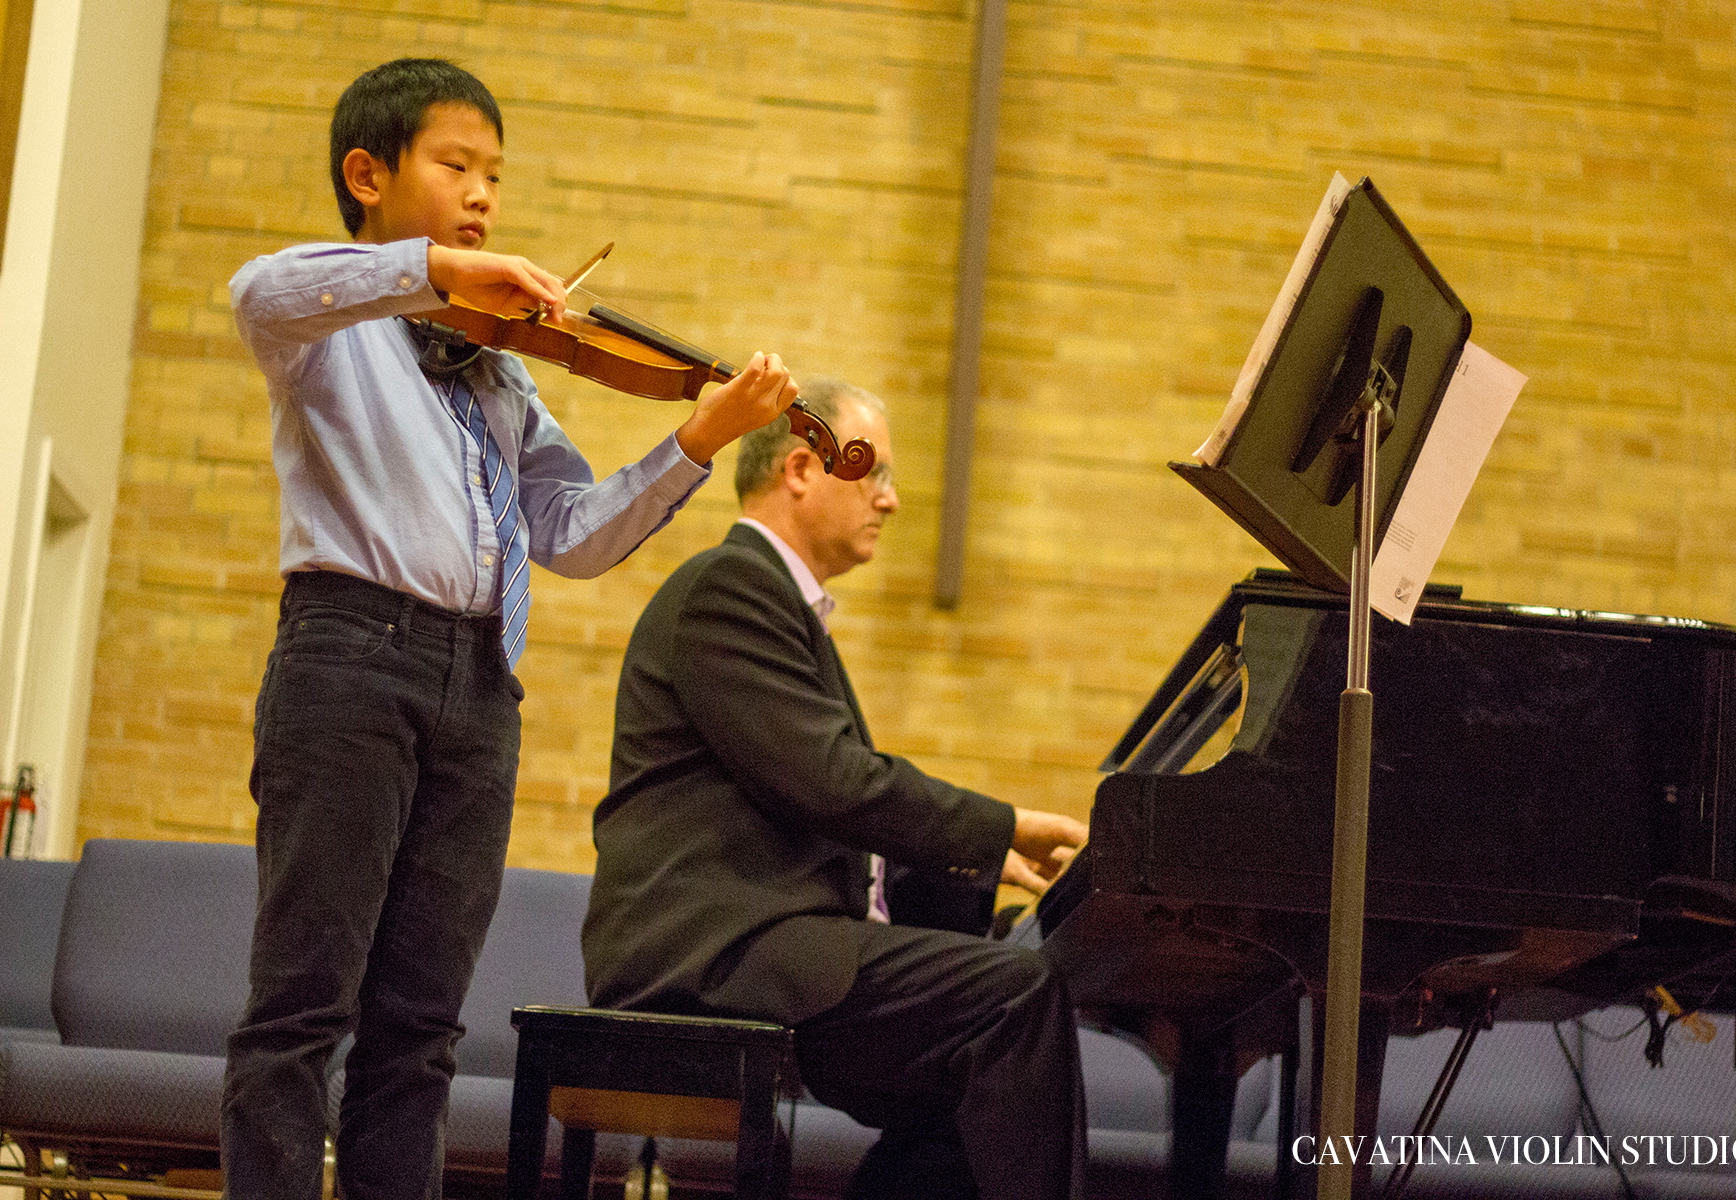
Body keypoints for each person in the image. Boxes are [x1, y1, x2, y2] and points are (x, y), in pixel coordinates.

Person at [222, 58, 798, 1200]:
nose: (484, 193)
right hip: (350, 662)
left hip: (481, 685)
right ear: (366, 175)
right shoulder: (334, 327)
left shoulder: (498, 373)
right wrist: (434, 268)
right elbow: (259, 288)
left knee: (421, 1028)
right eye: (456, 166)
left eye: (495, 175)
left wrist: (697, 440)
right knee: (301, 1009)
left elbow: (572, 534)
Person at [582, 378, 1091, 1200]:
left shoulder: (779, 605)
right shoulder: (728, 589)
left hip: (771, 944)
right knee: (1013, 1003)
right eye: (873, 472)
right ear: (799, 468)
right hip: (712, 958)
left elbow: (828, 817)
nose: (889, 501)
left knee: (974, 1055)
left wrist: (974, 888)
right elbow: (834, 785)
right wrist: (997, 831)